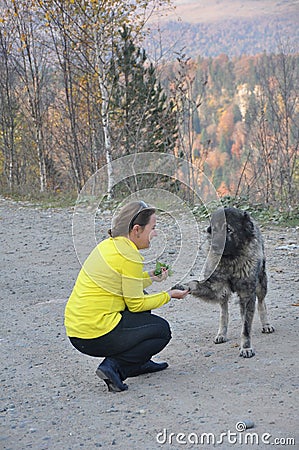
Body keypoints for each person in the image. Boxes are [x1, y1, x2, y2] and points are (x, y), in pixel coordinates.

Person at [64, 200, 189, 392]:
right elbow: (136, 304)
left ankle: (139, 362)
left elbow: (128, 285)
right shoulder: (129, 255)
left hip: (77, 331)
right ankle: (115, 367)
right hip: (95, 334)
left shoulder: (110, 246)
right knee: (162, 331)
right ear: (137, 229)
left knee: (144, 302)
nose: (155, 233)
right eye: (153, 228)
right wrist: (169, 295)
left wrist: (151, 278)